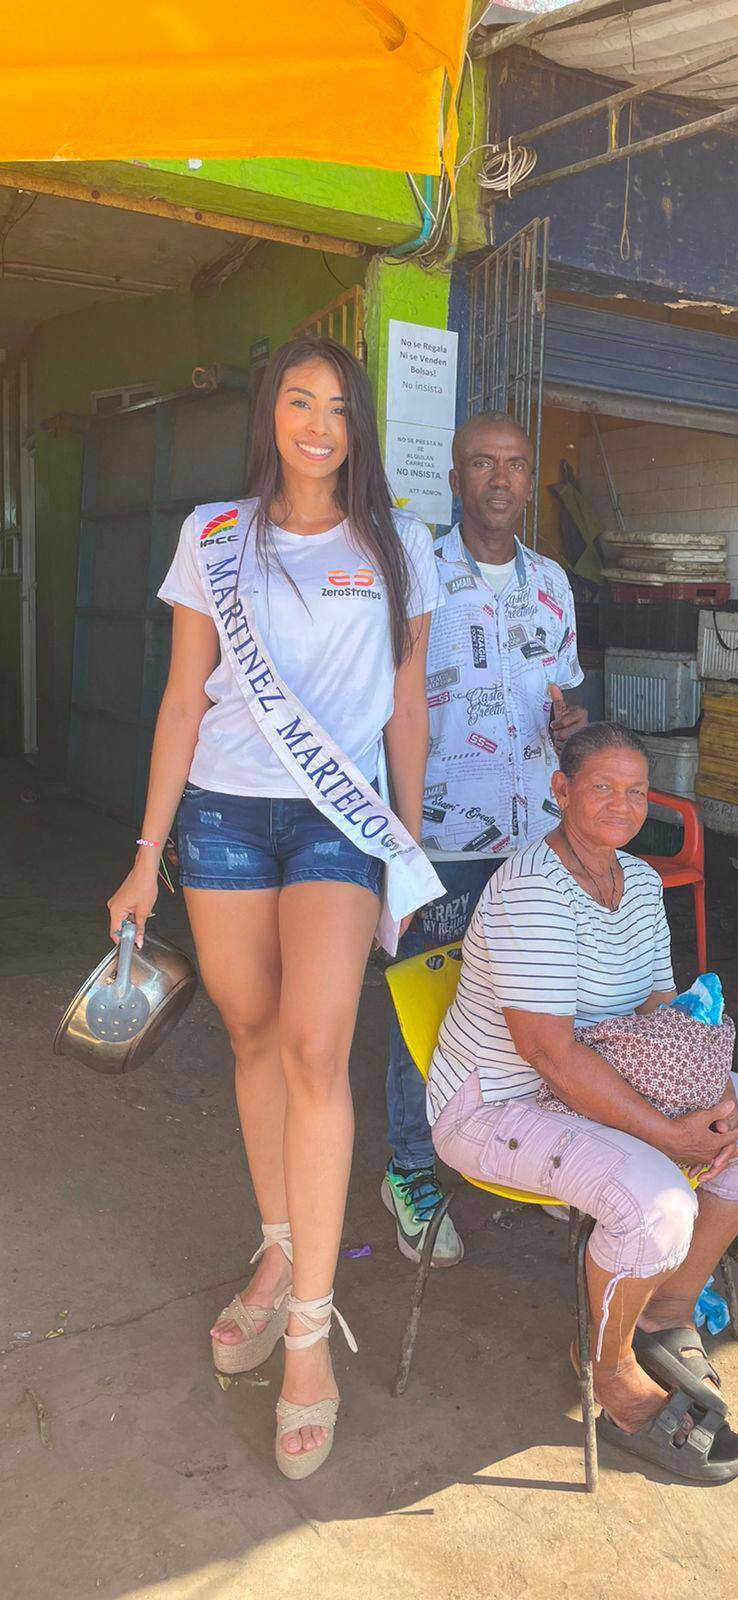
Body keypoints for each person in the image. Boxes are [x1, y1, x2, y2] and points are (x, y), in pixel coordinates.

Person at [106, 337, 444, 1479]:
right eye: (300, 402)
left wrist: (404, 845)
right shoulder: (213, 535)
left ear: (359, 428)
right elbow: (181, 701)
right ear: (272, 414)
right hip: (221, 817)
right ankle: (279, 1245)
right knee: (251, 1034)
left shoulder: (397, 546)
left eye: (339, 407)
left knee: (314, 1050)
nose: (318, 425)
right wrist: (144, 855)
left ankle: (308, 1333)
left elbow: (407, 708)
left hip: (339, 826)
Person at [428, 723, 738, 1484]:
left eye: (636, 791)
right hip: (501, 1107)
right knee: (658, 1203)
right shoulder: (533, 891)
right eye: (602, 787)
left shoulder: (641, 882)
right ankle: (610, 1369)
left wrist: (713, 1091)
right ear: (561, 791)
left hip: (600, 1077)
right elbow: (550, 1057)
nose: (622, 806)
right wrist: (671, 1135)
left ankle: (665, 1309)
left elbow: (663, 1004)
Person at [381, 411, 587, 1269]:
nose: (500, 480)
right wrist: (396, 838)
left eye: (515, 465)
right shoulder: (415, 572)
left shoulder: (554, 584)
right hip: (440, 837)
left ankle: (525, 1149)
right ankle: (410, 1169)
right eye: (482, 464)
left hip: (535, 839)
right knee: (424, 1012)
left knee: (536, 1004)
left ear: (529, 478)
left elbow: (566, 695)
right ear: (456, 476)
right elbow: (385, 702)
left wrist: (572, 724)